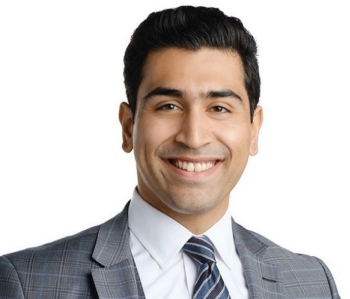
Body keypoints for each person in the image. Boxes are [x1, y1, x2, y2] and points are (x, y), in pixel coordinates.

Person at [0, 5, 340, 299]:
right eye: (168, 105)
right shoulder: (27, 283)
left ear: (254, 129)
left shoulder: (311, 283)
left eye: (219, 108)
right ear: (128, 126)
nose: (193, 136)